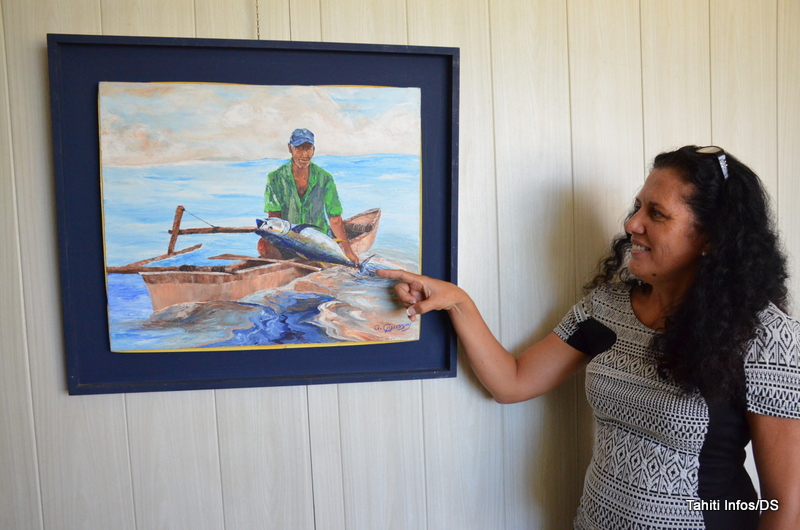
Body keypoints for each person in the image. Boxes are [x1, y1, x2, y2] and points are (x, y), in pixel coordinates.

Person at [377, 146, 800, 529]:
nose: (632, 223)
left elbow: (787, 506)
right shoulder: (607, 308)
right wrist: (458, 303)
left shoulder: (765, 336)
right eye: (637, 207)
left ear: (710, 238)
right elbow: (513, 381)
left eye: (657, 213)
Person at [260, 128, 359, 265]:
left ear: (314, 149)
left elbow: (335, 218)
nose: (304, 154)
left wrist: (348, 251)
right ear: (290, 148)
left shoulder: (325, 178)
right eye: (299, 148)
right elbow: (274, 217)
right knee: (263, 244)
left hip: (318, 238)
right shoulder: (275, 178)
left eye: (308, 148)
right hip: (289, 240)